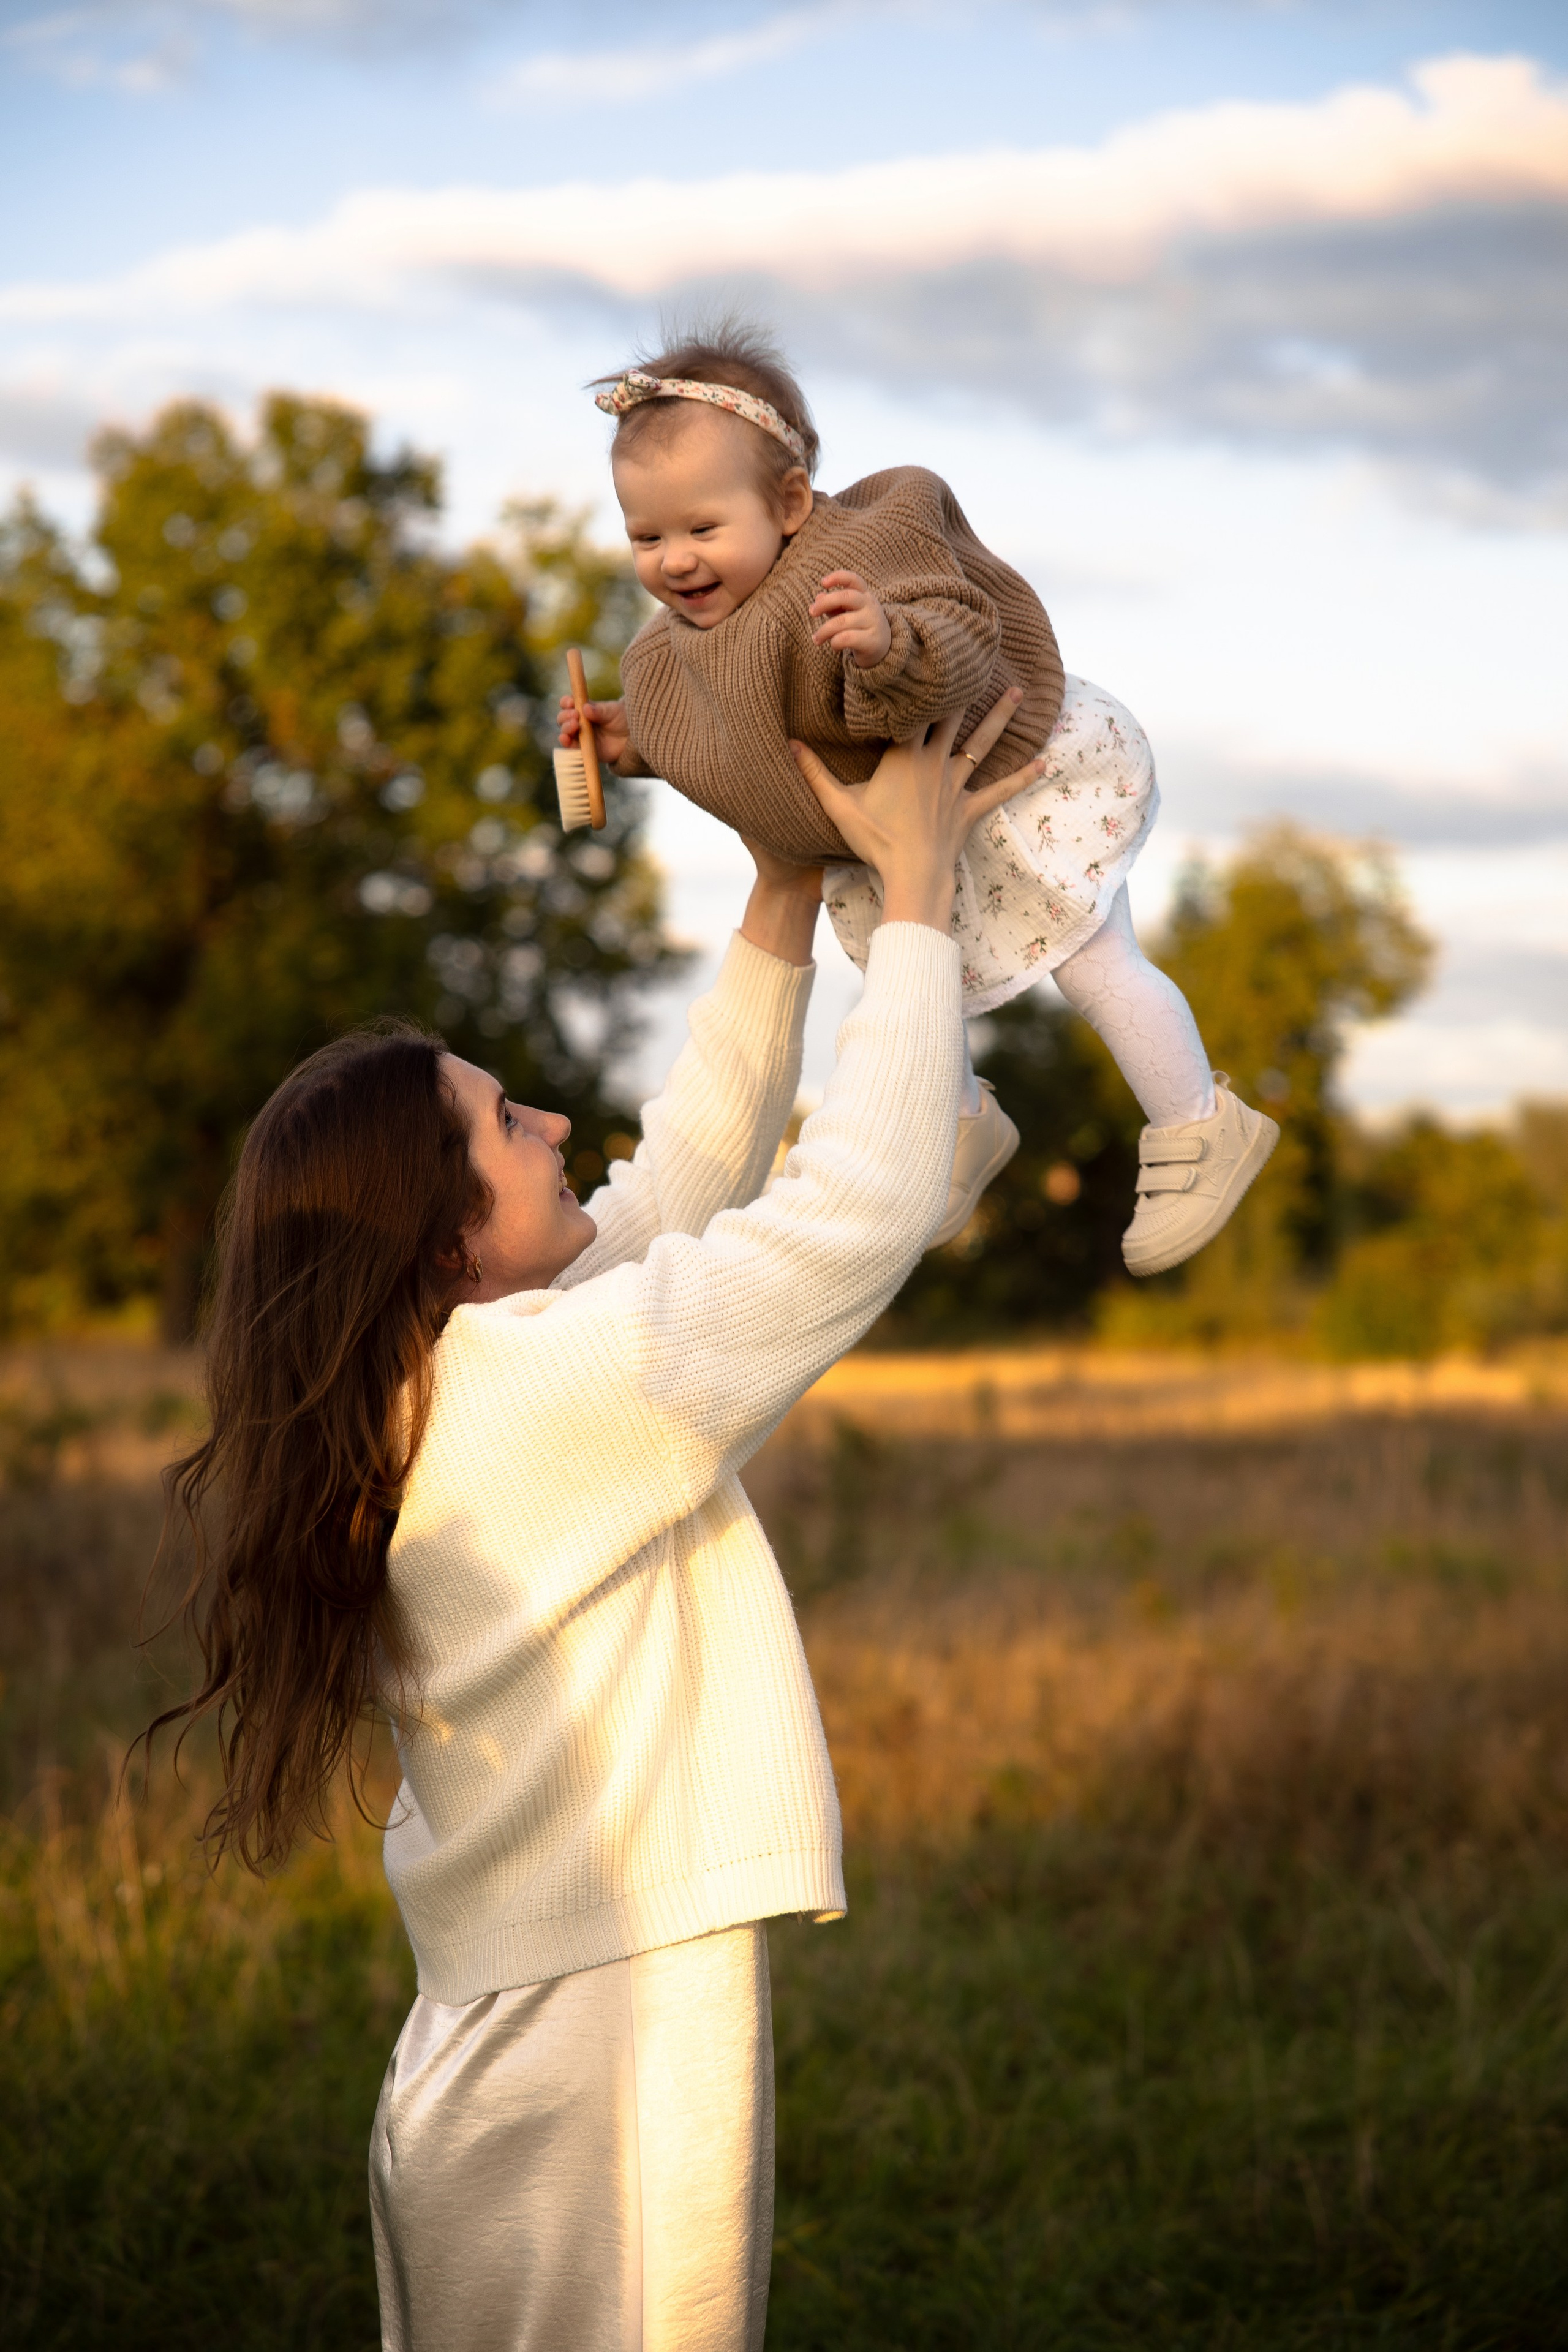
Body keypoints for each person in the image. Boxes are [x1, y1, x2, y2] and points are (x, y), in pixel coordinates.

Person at [148, 692, 1039, 2351]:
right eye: (508, 1124)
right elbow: (841, 1220)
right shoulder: (532, 1394)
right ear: (437, 1240)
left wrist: (783, 890)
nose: (557, 1125)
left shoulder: (451, 1376)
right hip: (591, 2055)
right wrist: (911, 896)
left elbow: (674, 1189)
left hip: (540, 2037)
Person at [560, 324, 1278, 1276]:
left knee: (1096, 963)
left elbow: (959, 628)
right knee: (904, 979)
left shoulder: (855, 559)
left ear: (789, 502)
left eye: (701, 529)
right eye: (646, 537)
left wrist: (888, 643)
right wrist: (636, 742)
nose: (676, 562)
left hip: (1008, 785)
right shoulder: (672, 650)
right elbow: (731, 733)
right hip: (902, 833)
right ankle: (962, 1126)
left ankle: (1200, 1122)